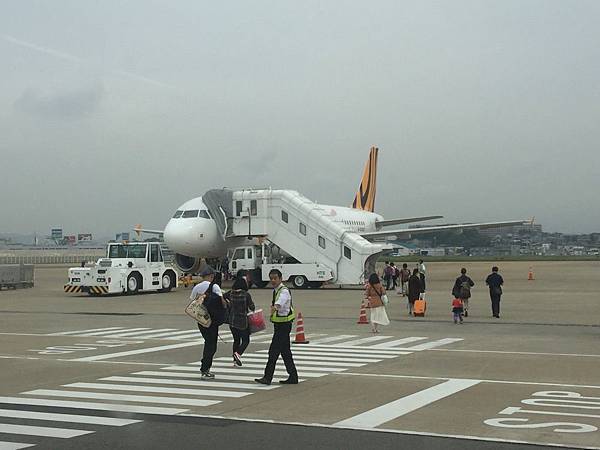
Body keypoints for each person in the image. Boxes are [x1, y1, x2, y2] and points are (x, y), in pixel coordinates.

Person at [255, 269, 298, 385]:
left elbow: (280, 302)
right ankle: (293, 376)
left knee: (273, 351)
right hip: (280, 325)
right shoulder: (277, 290)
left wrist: (275, 307)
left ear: (280, 278)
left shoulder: (283, 291)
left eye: (275, 278)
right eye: (271, 278)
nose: (273, 280)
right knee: (285, 352)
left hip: (283, 325)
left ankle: (267, 377)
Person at [190, 266, 228, 379]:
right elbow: (222, 302)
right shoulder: (214, 286)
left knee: (208, 342)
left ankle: (205, 367)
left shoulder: (196, 287)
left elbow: (193, 302)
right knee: (211, 345)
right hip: (213, 320)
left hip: (202, 320)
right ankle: (205, 369)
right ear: (211, 276)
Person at [224, 271, 255, 366]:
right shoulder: (246, 295)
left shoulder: (230, 293)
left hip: (232, 321)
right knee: (246, 340)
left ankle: (234, 360)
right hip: (243, 321)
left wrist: (229, 304)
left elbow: (223, 297)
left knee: (236, 340)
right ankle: (238, 354)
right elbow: (252, 307)